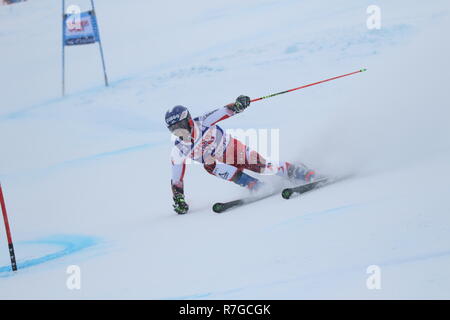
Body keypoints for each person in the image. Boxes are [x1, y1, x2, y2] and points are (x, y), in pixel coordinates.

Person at [165, 95, 316, 214]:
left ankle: (299, 173)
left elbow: (225, 111)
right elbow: (176, 179)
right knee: (209, 164)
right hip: (221, 164)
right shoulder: (179, 149)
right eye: (174, 129)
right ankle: (254, 185)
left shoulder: (203, 122)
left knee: (262, 166)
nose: (179, 131)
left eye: (181, 126)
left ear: (189, 121)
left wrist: (238, 105)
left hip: (234, 150)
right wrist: (179, 199)